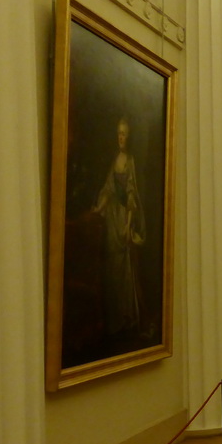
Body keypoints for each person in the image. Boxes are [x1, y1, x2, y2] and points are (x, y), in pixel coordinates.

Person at [94, 117, 145, 338]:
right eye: (119, 133)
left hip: (124, 216)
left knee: (125, 269)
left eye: (124, 133)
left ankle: (128, 316)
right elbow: (109, 189)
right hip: (113, 218)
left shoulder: (130, 161)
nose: (121, 137)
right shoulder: (115, 160)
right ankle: (114, 317)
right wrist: (99, 208)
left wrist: (128, 224)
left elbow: (132, 194)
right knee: (113, 268)